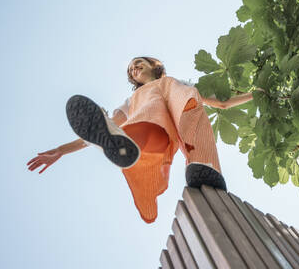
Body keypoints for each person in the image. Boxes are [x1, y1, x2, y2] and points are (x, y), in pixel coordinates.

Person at [27, 56, 256, 223]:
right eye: (130, 69)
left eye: (138, 63)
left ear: (155, 65)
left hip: (184, 113)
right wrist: (60, 150)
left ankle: (204, 164)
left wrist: (257, 93)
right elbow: (105, 125)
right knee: (140, 122)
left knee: (189, 102)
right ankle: (123, 142)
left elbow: (222, 104)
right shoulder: (133, 99)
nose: (134, 68)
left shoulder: (177, 84)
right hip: (154, 134)